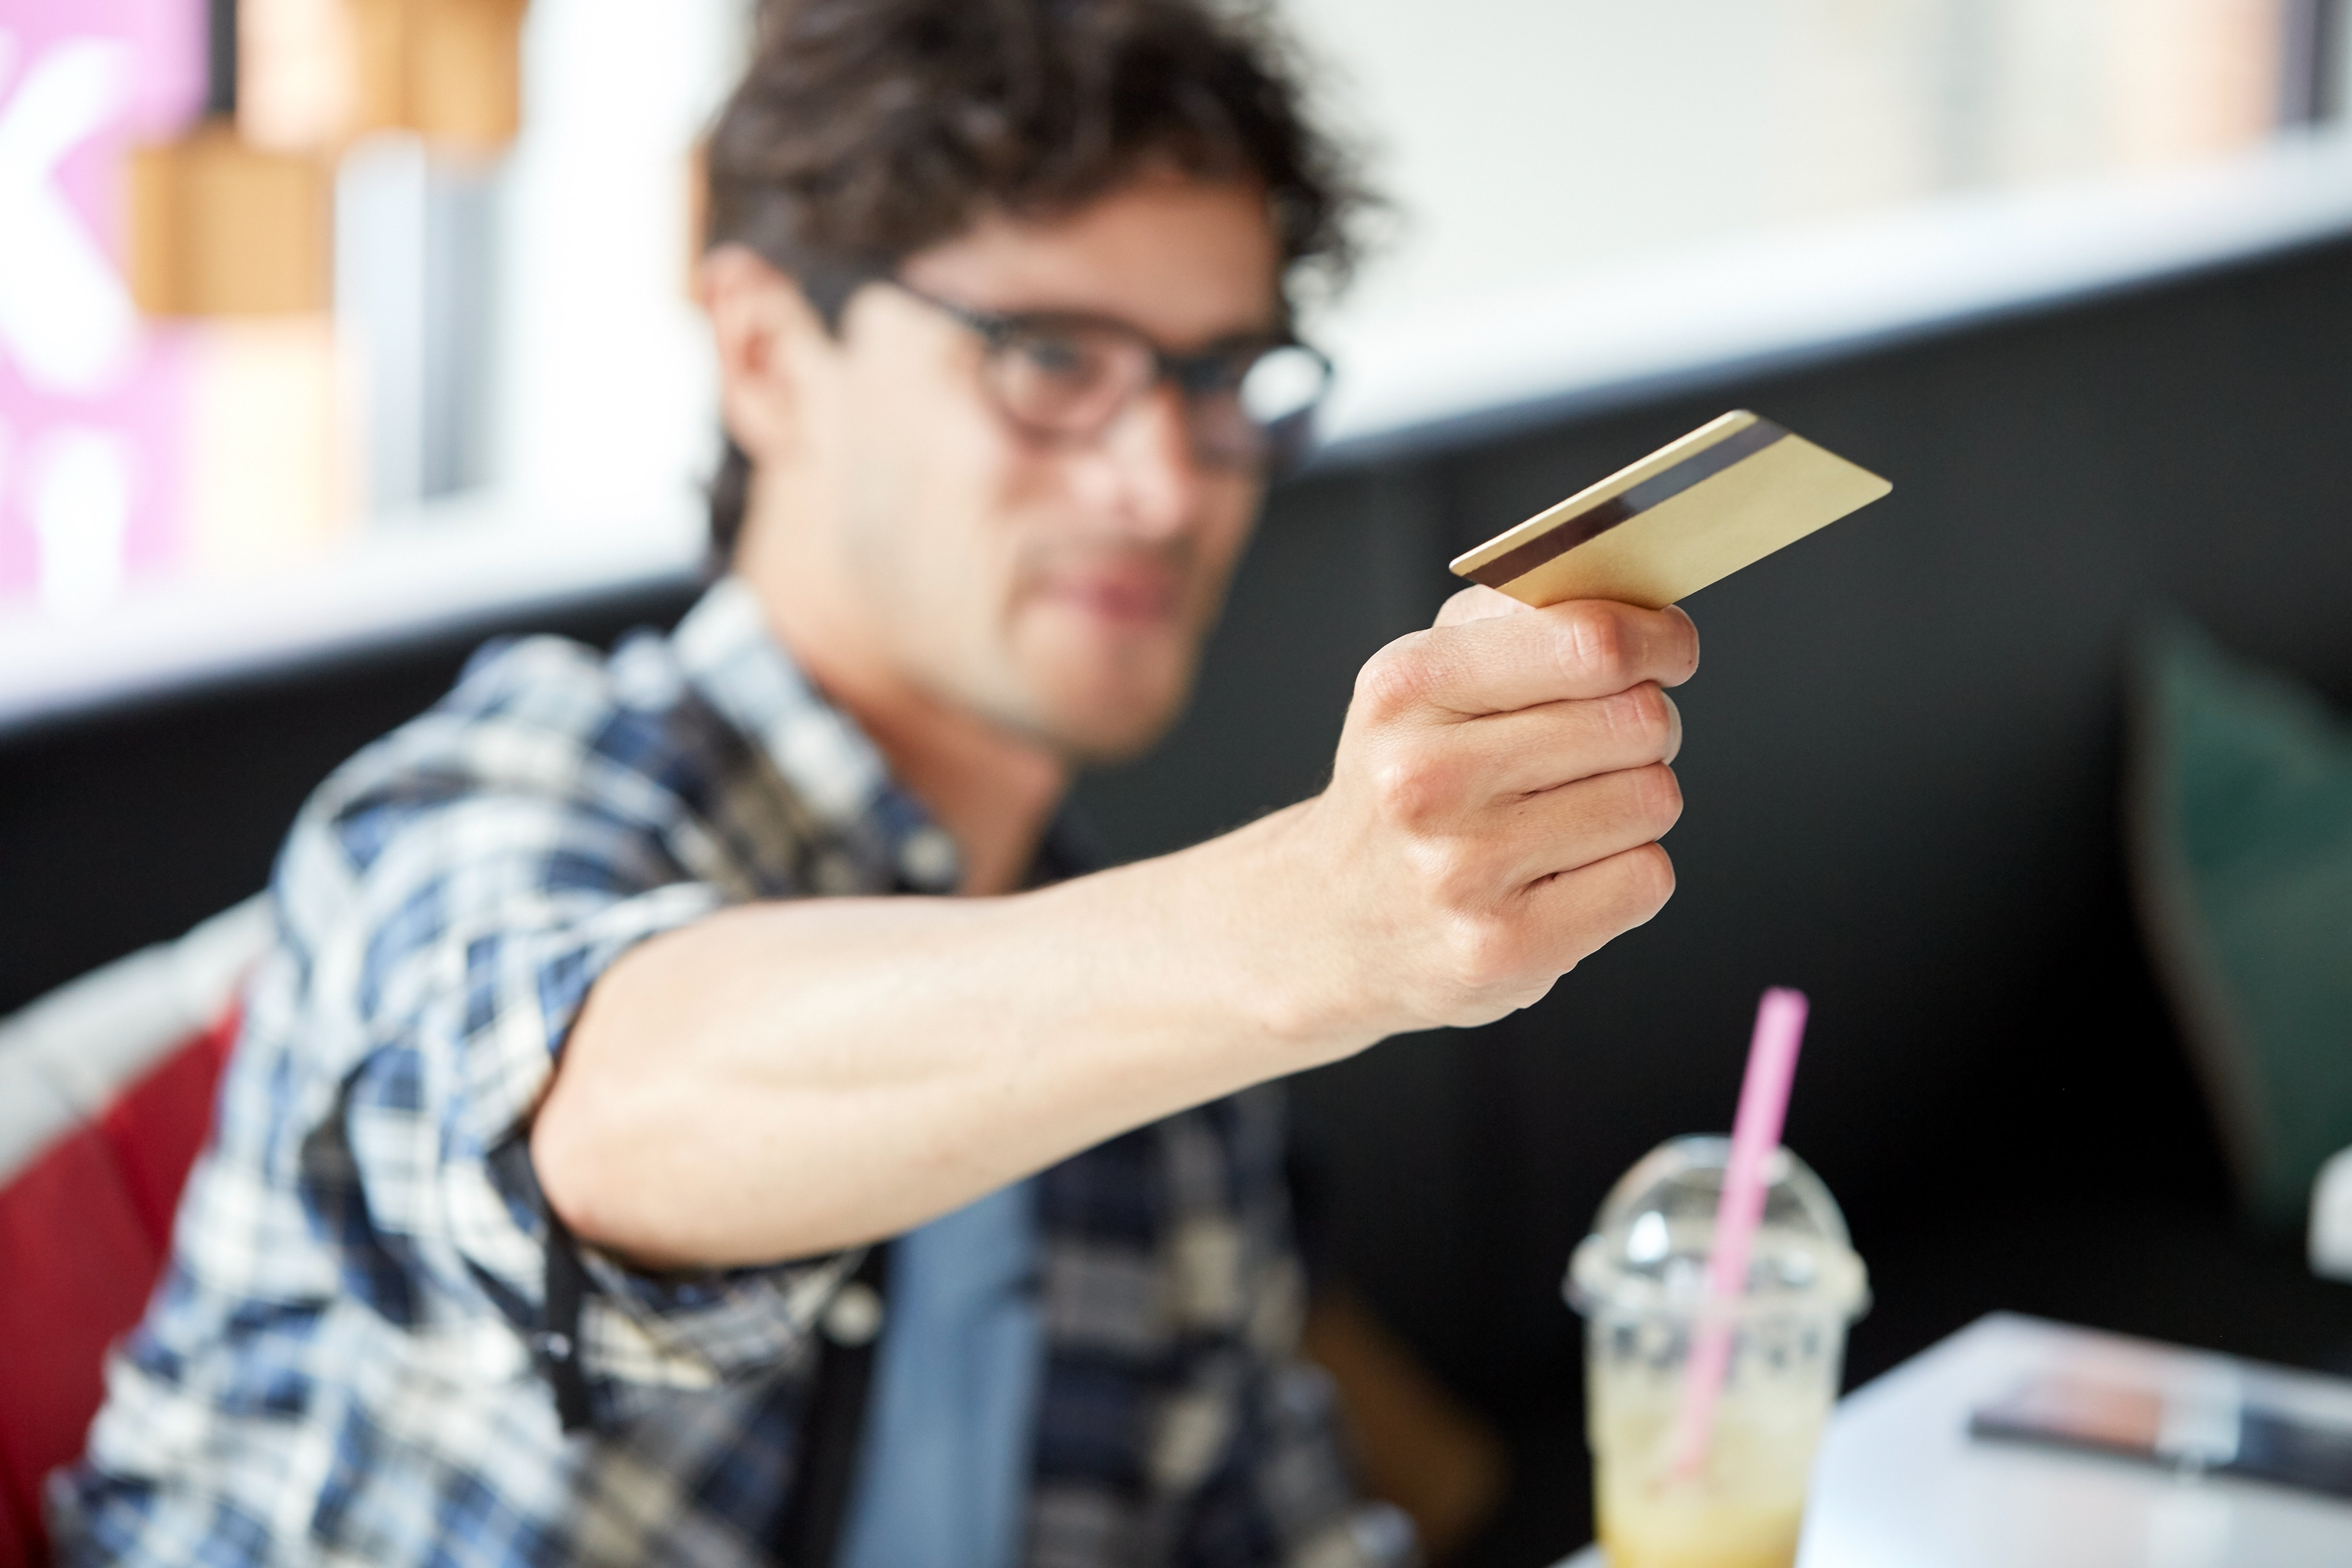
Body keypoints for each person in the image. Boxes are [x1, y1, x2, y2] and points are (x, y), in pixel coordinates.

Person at [55, 1, 1696, 1564]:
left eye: (1218, 380)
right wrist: (1299, 934)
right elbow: (597, 1108)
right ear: (766, 352)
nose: (1164, 482)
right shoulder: (491, 797)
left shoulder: (1178, 1094)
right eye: (1052, 360)